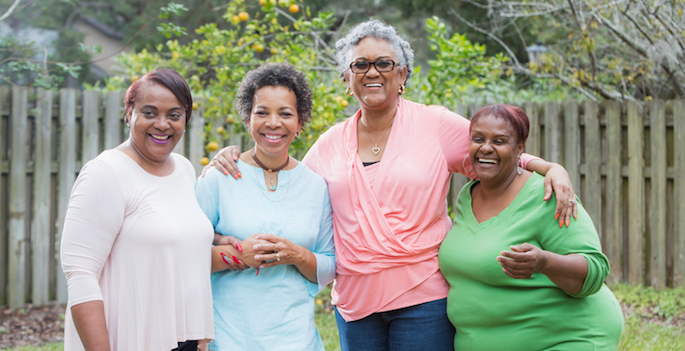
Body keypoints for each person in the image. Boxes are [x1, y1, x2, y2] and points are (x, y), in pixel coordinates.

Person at [210, 20, 577, 350]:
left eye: (384, 63)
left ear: (403, 74)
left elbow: (492, 150)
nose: (373, 72)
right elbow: (287, 189)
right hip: (355, 301)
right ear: (346, 78)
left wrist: (549, 167)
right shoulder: (329, 143)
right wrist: (231, 158)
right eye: (361, 64)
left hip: (424, 297)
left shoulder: (434, 124)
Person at [439, 104, 624, 350]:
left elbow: (594, 269)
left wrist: (544, 262)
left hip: (565, 338)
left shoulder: (547, 196)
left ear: (520, 148)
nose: (486, 148)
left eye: (500, 140)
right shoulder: (466, 195)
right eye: (478, 139)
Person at [60, 69, 214, 350]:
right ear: (129, 113)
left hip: (184, 340)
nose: (163, 124)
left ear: (185, 120)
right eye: (150, 112)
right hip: (129, 340)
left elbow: (175, 242)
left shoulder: (184, 168)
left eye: (174, 115)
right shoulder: (106, 173)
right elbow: (80, 273)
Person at [195, 63, 336, 351]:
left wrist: (296, 255)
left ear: (300, 123)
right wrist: (238, 256)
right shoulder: (219, 177)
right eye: (262, 112)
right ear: (248, 119)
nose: (273, 123)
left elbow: (330, 264)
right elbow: (184, 257)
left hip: (296, 339)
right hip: (227, 338)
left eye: (285, 114)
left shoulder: (315, 186)